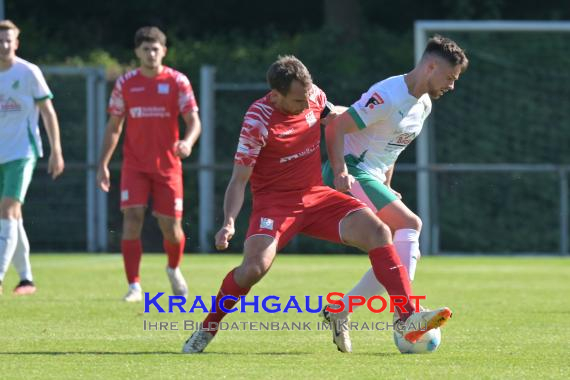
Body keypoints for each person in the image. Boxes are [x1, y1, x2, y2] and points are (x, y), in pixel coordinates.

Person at [182, 55, 452, 354]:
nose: (304, 104)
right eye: (297, 100)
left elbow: (334, 117)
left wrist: (374, 122)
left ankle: (406, 316)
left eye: (307, 96)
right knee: (253, 269)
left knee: (379, 232)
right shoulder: (257, 120)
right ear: (275, 95)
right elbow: (239, 179)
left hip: (316, 196)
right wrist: (228, 222)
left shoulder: (313, 96)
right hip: (276, 206)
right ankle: (208, 327)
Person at [320, 35, 468, 352]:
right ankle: (406, 316)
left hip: (371, 176)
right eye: (450, 78)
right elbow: (336, 128)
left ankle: (340, 310)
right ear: (430, 67)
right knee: (410, 225)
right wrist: (340, 172)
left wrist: (386, 186)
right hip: (351, 170)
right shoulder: (388, 94)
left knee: (390, 251)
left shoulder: (424, 104)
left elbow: (392, 149)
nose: (451, 86)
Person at [97, 26, 201, 302]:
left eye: (156, 49)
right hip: (134, 166)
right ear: (137, 52)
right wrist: (103, 164)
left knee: (172, 228)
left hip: (168, 167)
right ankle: (134, 286)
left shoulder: (178, 82)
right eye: (146, 49)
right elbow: (114, 126)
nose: (151, 53)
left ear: (163, 51)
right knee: (131, 220)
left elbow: (194, 121)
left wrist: (188, 142)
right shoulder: (126, 83)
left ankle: (174, 268)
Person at [0, 20, 65, 296]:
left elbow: (48, 112)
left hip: (22, 153)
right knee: (13, 217)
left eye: (8, 40)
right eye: (0, 40)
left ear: (17, 43)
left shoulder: (29, 72)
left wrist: (56, 150)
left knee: (7, 210)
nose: (4, 45)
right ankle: (26, 280)